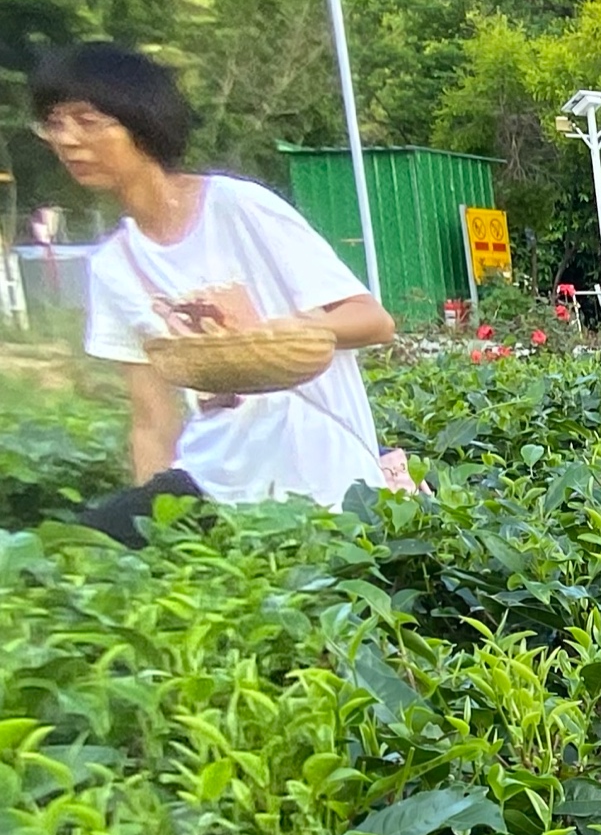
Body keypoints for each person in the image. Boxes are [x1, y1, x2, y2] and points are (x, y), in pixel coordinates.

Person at [29, 40, 394, 537]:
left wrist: (284, 332)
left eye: (88, 120)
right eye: (55, 124)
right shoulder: (114, 265)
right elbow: (151, 419)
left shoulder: (238, 209)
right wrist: (158, 536)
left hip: (321, 475)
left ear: (142, 120)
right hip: (213, 475)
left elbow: (373, 320)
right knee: (82, 546)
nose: (68, 140)